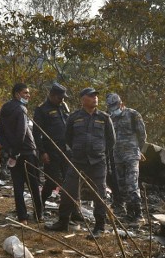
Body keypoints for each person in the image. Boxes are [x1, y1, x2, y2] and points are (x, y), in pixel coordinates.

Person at [46, 87, 115, 236]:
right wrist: (77, 151)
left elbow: (111, 141)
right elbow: (68, 138)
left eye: (96, 96)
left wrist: (100, 153)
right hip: (77, 160)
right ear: (83, 99)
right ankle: (63, 222)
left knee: (99, 194)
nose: (95, 98)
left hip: (98, 162)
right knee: (68, 191)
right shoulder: (74, 117)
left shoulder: (104, 117)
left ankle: (99, 227)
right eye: (91, 96)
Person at [0, 82, 43, 223]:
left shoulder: (5, 108)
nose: (28, 95)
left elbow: (1, 132)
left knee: (18, 185)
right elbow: (21, 132)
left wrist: (10, 151)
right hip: (26, 151)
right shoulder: (21, 109)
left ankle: (22, 216)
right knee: (33, 184)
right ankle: (39, 214)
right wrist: (17, 151)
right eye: (25, 93)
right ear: (17, 94)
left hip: (13, 152)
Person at [105, 92, 147, 222]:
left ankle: (138, 214)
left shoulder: (133, 114)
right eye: (111, 106)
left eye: (115, 105)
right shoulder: (109, 117)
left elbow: (142, 136)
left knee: (132, 184)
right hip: (117, 156)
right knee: (122, 185)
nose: (113, 109)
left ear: (121, 104)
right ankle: (130, 213)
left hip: (131, 155)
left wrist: (138, 150)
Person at [33, 82, 70, 209]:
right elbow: (37, 133)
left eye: (63, 98)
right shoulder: (42, 109)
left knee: (69, 180)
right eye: (60, 98)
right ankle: (40, 205)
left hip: (66, 150)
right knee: (53, 180)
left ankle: (69, 210)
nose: (62, 100)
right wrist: (42, 152)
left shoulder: (63, 107)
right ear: (52, 95)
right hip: (51, 150)